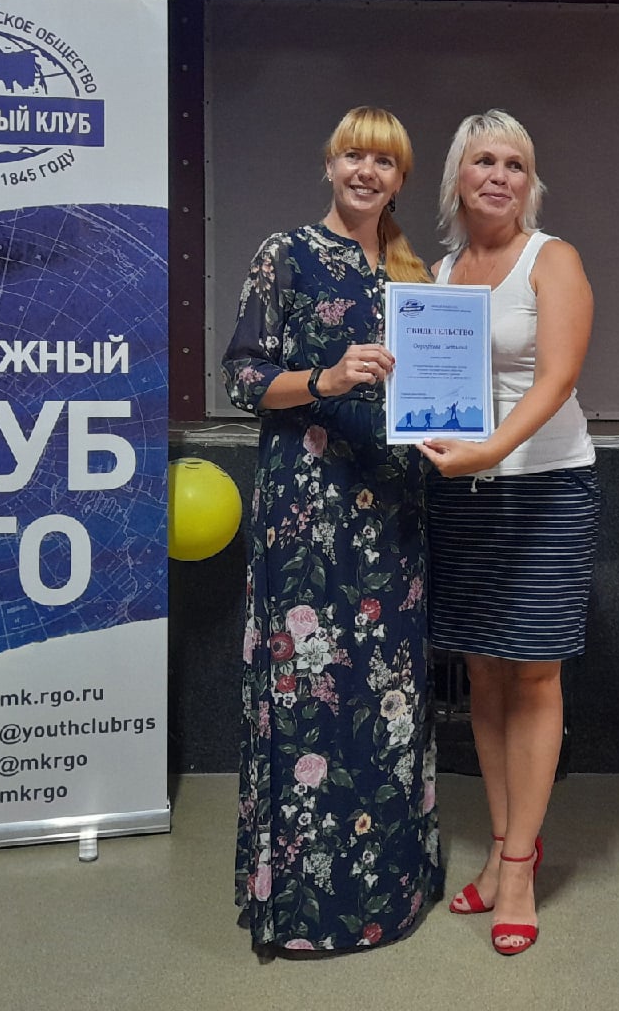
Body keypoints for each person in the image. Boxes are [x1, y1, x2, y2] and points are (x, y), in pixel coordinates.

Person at [223, 107, 443, 952]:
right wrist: (326, 377)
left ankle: (391, 894)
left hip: (394, 507)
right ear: (329, 164)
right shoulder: (284, 254)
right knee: (307, 691)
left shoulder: (417, 274)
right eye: (353, 155)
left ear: (400, 180)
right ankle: (305, 909)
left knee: (389, 696)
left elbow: (441, 387)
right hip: (307, 509)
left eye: (384, 162)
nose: (366, 172)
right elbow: (243, 377)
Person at [416, 109, 600, 958]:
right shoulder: (439, 274)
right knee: (483, 672)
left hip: (545, 488)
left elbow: (558, 377)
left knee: (533, 671)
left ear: (531, 183)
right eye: (484, 160)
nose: (499, 176)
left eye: (515, 164)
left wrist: (491, 450)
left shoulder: (551, 259)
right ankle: (499, 847)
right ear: (457, 176)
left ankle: (520, 868)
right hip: (462, 493)